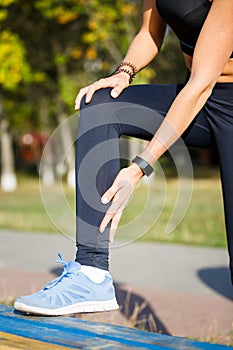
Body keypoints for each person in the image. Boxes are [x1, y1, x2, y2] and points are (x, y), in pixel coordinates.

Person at [14, 0, 233, 316]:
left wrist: (140, 166)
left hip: (207, 92)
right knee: (101, 105)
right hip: (197, 97)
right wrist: (123, 73)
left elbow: (202, 84)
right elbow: (148, 32)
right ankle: (91, 273)